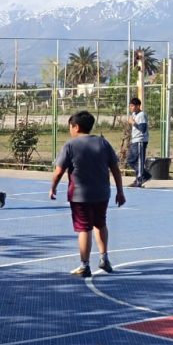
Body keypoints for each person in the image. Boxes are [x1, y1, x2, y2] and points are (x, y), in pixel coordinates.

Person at [49, 111, 126, 278]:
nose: (70, 130)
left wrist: (53, 187)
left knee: (84, 228)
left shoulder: (70, 145)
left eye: (70, 126)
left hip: (79, 195)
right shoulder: (103, 143)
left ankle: (84, 265)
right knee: (100, 223)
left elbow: (59, 171)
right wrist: (120, 191)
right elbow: (115, 170)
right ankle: (104, 257)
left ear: (76, 127)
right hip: (102, 193)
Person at [127, 98, 151, 187]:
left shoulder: (142, 115)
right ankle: (145, 175)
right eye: (130, 106)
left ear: (138, 106)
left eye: (132, 106)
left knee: (139, 161)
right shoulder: (134, 114)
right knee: (131, 160)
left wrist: (133, 123)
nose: (131, 108)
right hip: (135, 140)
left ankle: (140, 179)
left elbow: (143, 129)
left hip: (140, 141)